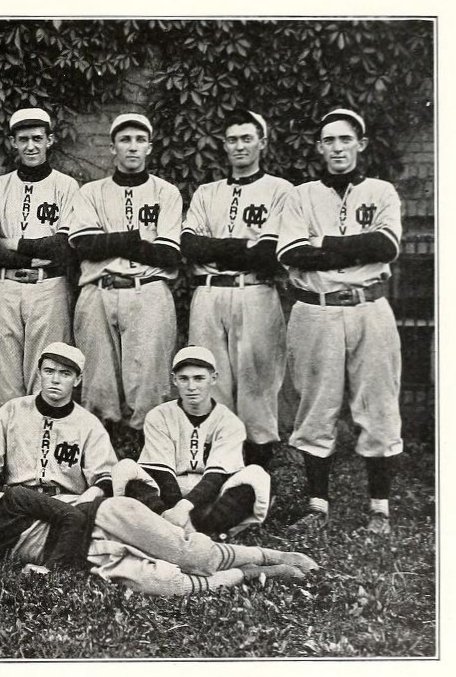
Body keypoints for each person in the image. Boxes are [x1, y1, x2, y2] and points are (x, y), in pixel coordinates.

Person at [276, 108, 404, 534]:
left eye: (345, 140)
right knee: (316, 405)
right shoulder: (301, 195)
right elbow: (291, 253)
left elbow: (385, 245)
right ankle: (317, 505)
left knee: (379, 405)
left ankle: (379, 508)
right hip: (316, 308)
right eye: (329, 141)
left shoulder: (382, 191)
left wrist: (323, 244)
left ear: (360, 144)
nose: (337, 148)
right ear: (319, 147)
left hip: (370, 307)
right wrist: (353, 250)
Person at [0, 466, 318, 596]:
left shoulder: (16, 498)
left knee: (196, 556)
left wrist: (54, 572)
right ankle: (255, 576)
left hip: (104, 517)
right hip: (89, 556)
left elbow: (71, 518)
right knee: (170, 586)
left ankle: (272, 556)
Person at [181, 110, 292, 470]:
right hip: (209, 295)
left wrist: (218, 247)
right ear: (224, 145)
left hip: (255, 293)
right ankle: (220, 469)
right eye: (233, 139)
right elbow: (189, 245)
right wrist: (243, 248)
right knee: (211, 380)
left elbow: (269, 254)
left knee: (257, 383)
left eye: (247, 138)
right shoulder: (207, 192)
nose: (240, 146)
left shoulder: (280, 190)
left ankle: (258, 470)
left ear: (262, 142)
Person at [69, 113, 183, 445]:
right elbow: (84, 246)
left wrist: (110, 240)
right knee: (98, 383)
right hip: (98, 291)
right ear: (112, 148)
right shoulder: (91, 192)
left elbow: (168, 254)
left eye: (139, 140)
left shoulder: (166, 193)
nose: (132, 147)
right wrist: (137, 238)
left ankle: (148, 457)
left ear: (149, 147)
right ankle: (100, 457)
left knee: (148, 380)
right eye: (124, 140)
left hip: (147, 291)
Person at [114, 346, 272, 540]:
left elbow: (217, 475)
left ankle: (199, 530)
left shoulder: (229, 422)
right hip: (167, 493)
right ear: (174, 380)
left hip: (211, 494)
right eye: (184, 379)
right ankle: (178, 527)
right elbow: (161, 472)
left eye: (199, 378)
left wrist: (184, 508)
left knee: (257, 475)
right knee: (124, 468)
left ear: (213, 378)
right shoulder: (159, 415)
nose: (191, 387)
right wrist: (174, 510)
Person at [0, 108, 80, 411]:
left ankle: (41, 442)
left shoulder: (66, 186)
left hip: (48, 287)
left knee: (47, 367)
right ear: (13, 142)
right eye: (23, 139)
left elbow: (64, 247)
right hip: (4, 287)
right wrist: (38, 248)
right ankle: (7, 444)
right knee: (2, 372)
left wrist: (16, 244)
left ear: (50, 140)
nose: (31, 146)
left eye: (38, 138)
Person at [0, 342, 116, 504]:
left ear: (77, 380)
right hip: (16, 499)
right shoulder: (13, 410)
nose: (55, 380)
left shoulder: (88, 424)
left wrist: (87, 498)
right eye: (49, 371)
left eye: (65, 374)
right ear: (39, 373)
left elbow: (104, 475)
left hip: (67, 501)